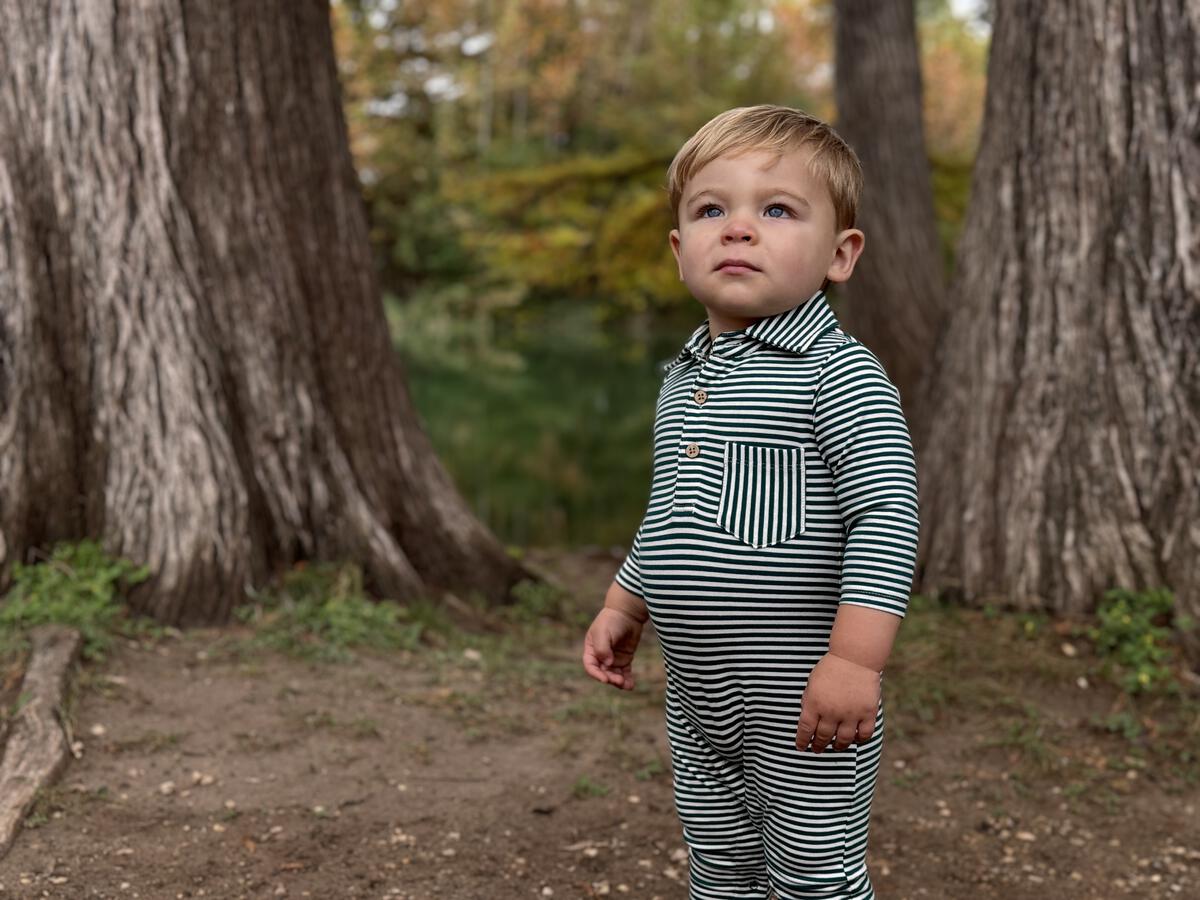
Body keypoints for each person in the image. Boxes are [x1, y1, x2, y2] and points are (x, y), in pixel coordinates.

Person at [581, 105, 920, 900]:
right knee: (721, 864)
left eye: (775, 209)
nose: (738, 228)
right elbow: (668, 509)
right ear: (679, 251)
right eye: (711, 210)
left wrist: (853, 661)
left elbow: (886, 516)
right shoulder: (682, 378)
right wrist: (624, 603)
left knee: (812, 877)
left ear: (841, 254)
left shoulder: (840, 377)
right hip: (699, 692)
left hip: (802, 698)